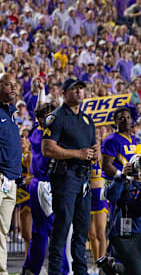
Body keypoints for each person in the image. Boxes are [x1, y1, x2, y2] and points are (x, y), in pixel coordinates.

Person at [42, 78, 98, 275]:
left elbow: (92, 144)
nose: (79, 92)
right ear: (64, 93)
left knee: (82, 229)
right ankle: (55, 271)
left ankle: (80, 271)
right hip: (65, 176)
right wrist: (78, 153)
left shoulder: (86, 120)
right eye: (75, 90)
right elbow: (47, 148)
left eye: (81, 89)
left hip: (83, 178)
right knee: (62, 225)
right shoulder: (56, 117)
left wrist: (95, 152)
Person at [23, 102, 70, 275]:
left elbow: (38, 112)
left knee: (39, 232)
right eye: (51, 115)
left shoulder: (37, 130)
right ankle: (62, 271)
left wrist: (42, 92)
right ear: (43, 118)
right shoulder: (43, 134)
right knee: (56, 231)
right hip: (45, 186)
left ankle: (31, 269)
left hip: (40, 186)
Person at [0, 73, 22, 275]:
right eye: (8, 84)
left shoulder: (11, 114)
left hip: (11, 179)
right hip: (0, 175)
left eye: (15, 85)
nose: (13, 88)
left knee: (3, 230)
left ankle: (2, 270)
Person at [88, 159, 109, 274]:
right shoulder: (85, 154)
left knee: (101, 233)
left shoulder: (103, 156)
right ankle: (96, 263)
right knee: (91, 234)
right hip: (88, 195)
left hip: (100, 196)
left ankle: (102, 265)